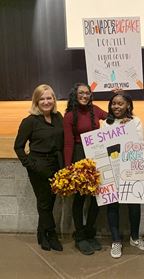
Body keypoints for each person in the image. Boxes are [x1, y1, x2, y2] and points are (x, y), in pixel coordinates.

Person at [14, 84, 64, 251]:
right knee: (44, 202)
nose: (46, 101)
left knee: (50, 202)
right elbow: (18, 146)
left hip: (56, 165)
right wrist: (30, 165)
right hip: (38, 166)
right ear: (36, 101)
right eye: (41, 98)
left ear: (54, 99)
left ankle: (41, 232)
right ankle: (51, 234)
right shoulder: (29, 122)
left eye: (49, 98)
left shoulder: (58, 118)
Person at [101, 92, 144, 258]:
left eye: (120, 103)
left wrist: (127, 127)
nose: (116, 106)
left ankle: (135, 237)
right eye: (114, 103)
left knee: (133, 206)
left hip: (131, 169)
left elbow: (138, 143)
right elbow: (102, 145)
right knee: (112, 205)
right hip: (112, 169)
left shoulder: (135, 121)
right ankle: (116, 241)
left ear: (128, 105)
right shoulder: (105, 124)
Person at [63, 83, 108, 255]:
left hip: (96, 155)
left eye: (87, 93)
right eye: (81, 93)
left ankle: (90, 232)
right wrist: (69, 168)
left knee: (96, 197)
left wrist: (125, 119)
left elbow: (111, 116)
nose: (84, 96)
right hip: (79, 156)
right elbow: (68, 143)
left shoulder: (95, 110)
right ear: (75, 94)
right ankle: (80, 236)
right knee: (80, 199)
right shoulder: (69, 116)